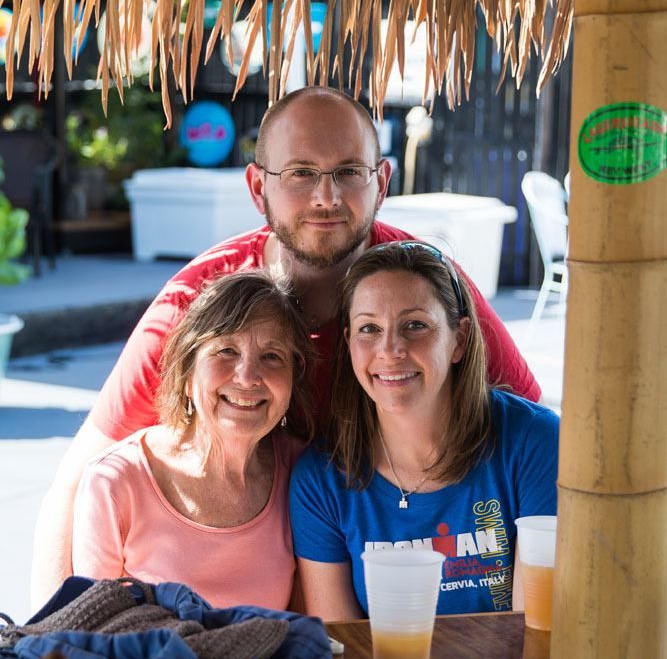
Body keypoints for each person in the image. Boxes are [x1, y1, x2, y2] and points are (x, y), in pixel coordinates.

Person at [31, 86, 540, 608]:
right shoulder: (203, 303)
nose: (327, 197)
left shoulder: (421, 290)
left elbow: (533, 431)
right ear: (258, 188)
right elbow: (76, 485)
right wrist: (46, 651)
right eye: (300, 173)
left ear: (381, 182)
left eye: (348, 171)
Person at [289, 242, 559, 620]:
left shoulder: (535, 443)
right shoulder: (321, 481)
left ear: (459, 340)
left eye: (415, 325)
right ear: (349, 344)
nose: (390, 349)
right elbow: (344, 648)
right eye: (369, 328)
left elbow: (535, 630)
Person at [71, 271, 313, 609]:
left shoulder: (305, 476)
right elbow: (92, 635)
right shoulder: (115, 481)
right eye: (226, 350)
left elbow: (308, 629)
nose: (247, 377)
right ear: (187, 374)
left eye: (272, 356)